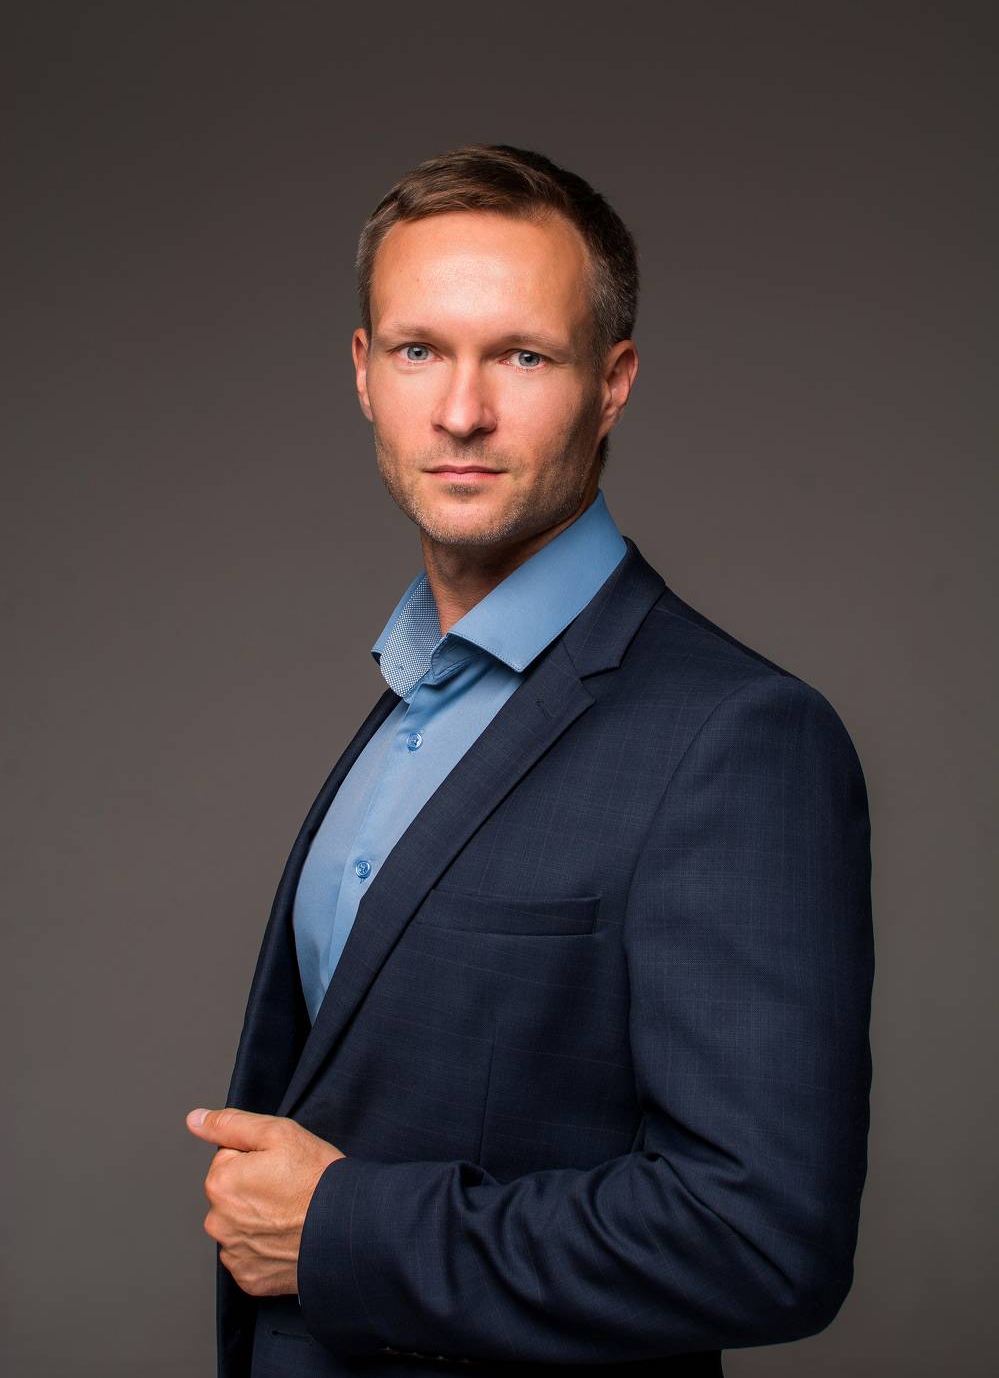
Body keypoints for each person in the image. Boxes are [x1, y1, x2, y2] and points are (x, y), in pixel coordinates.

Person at [186, 144, 875, 1378]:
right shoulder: (411, 696)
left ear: (612, 384)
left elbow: (764, 1237)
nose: (461, 410)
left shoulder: (739, 738)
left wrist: (345, 1230)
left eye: (522, 356)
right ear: (362, 373)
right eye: (419, 351)